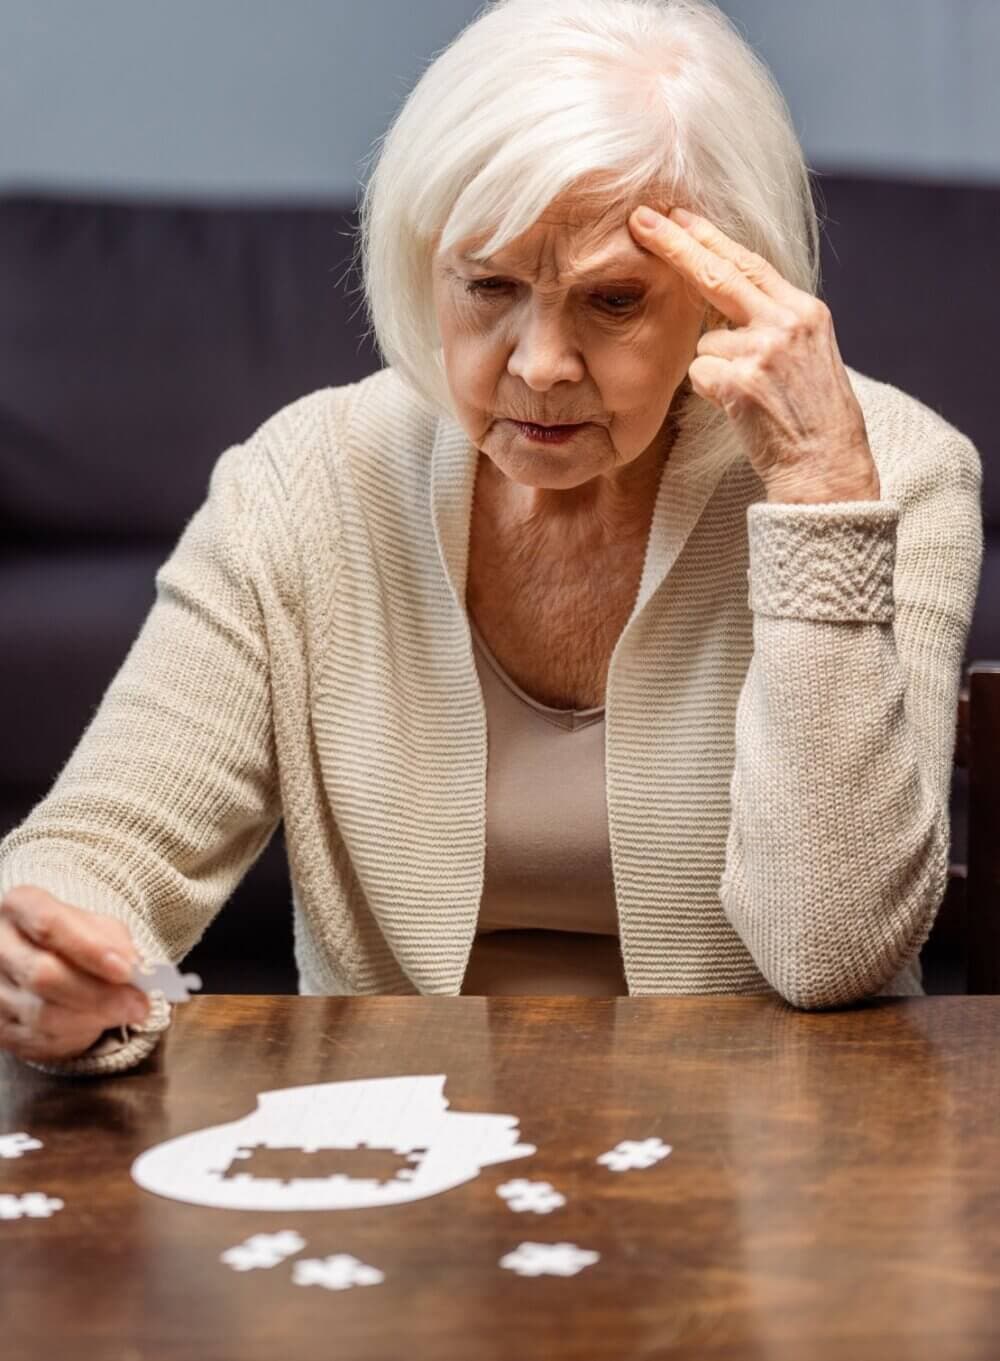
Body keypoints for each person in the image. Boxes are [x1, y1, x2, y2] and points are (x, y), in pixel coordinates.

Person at [0, 0, 982, 1076]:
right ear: (425, 264)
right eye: (490, 286)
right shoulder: (302, 479)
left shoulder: (886, 471)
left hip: (769, 1155)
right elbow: (104, 841)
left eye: (611, 299)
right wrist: (56, 961)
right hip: (394, 1156)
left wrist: (817, 497)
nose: (541, 363)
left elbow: (830, 951)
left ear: (724, 291)